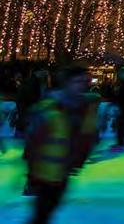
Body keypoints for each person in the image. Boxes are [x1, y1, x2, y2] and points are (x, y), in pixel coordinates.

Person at [23, 65, 99, 224]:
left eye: (85, 81)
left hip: (64, 172)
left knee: (47, 212)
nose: (83, 85)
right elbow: (33, 141)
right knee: (41, 215)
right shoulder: (50, 107)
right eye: (77, 81)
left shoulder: (84, 108)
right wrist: (31, 174)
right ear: (67, 83)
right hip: (44, 173)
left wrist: (78, 159)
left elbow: (87, 137)